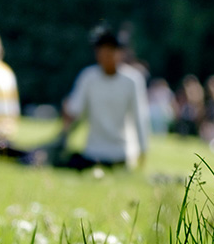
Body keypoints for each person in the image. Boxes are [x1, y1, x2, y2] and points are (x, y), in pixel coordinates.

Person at [59, 25, 150, 170]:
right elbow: (74, 111)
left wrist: (143, 150)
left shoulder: (133, 80)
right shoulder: (88, 77)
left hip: (121, 155)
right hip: (92, 153)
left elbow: (140, 117)